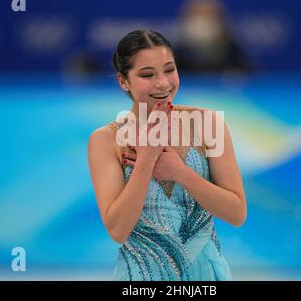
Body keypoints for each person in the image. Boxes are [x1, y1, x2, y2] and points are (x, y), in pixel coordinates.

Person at [87, 30, 246, 281]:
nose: (162, 83)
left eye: (169, 70)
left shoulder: (208, 124)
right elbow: (117, 230)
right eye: (147, 75)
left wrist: (179, 172)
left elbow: (236, 213)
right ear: (123, 81)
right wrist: (147, 160)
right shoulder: (106, 140)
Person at [176, 0, 255, 74]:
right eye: (196, 16)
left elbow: (250, 79)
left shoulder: (234, 53)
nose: (201, 23)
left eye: (207, 16)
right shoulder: (176, 56)